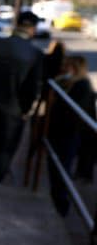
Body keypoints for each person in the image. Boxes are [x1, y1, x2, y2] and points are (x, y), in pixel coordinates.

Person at [0, 11, 44, 182]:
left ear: (16, 24)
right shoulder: (35, 54)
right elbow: (33, 87)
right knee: (4, 152)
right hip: (13, 110)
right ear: (33, 29)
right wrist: (26, 110)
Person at [47, 56, 96, 215]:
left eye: (68, 66)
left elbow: (75, 114)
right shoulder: (65, 81)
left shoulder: (83, 85)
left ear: (75, 67)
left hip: (68, 135)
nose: (64, 68)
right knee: (55, 167)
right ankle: (56, 200)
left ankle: (61, 204)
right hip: (58, 133)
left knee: (62, 169)